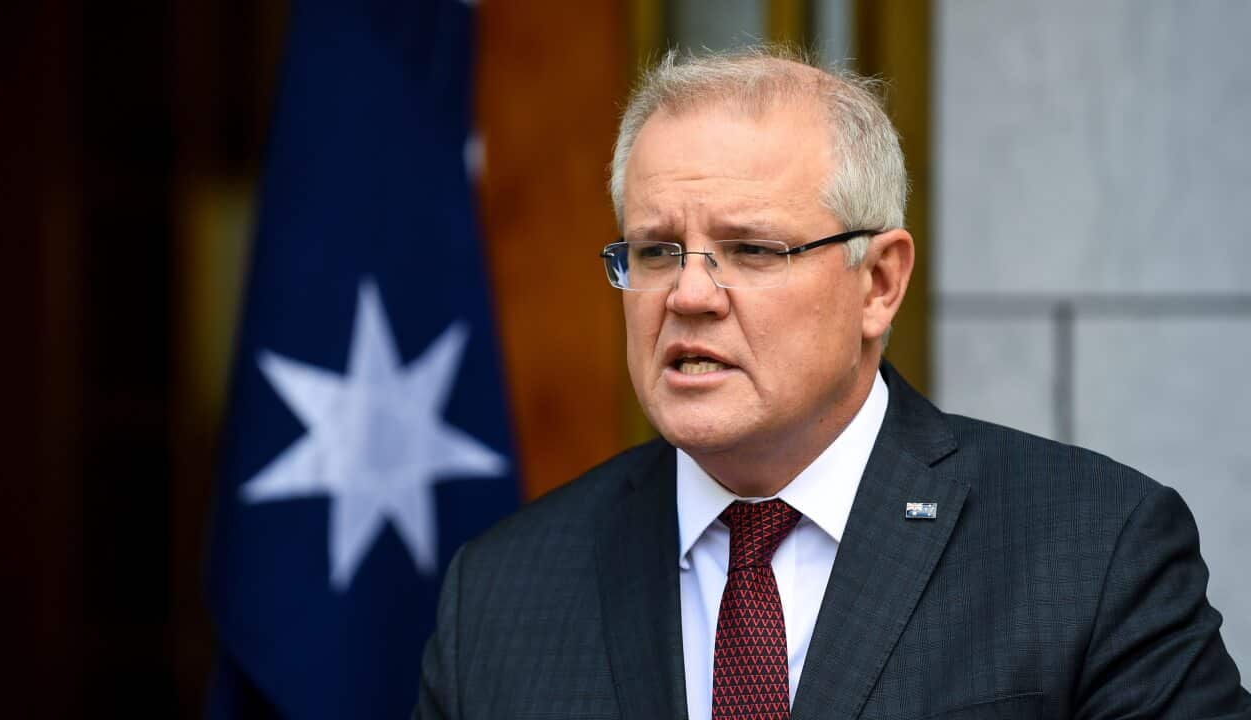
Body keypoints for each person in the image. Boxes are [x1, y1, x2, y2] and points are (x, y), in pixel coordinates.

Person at [414, 47, 1250, 720]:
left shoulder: (1090, 549)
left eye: (752, 250)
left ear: (879, 283)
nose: (690, 295)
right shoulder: (498, 593)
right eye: (657, 251)